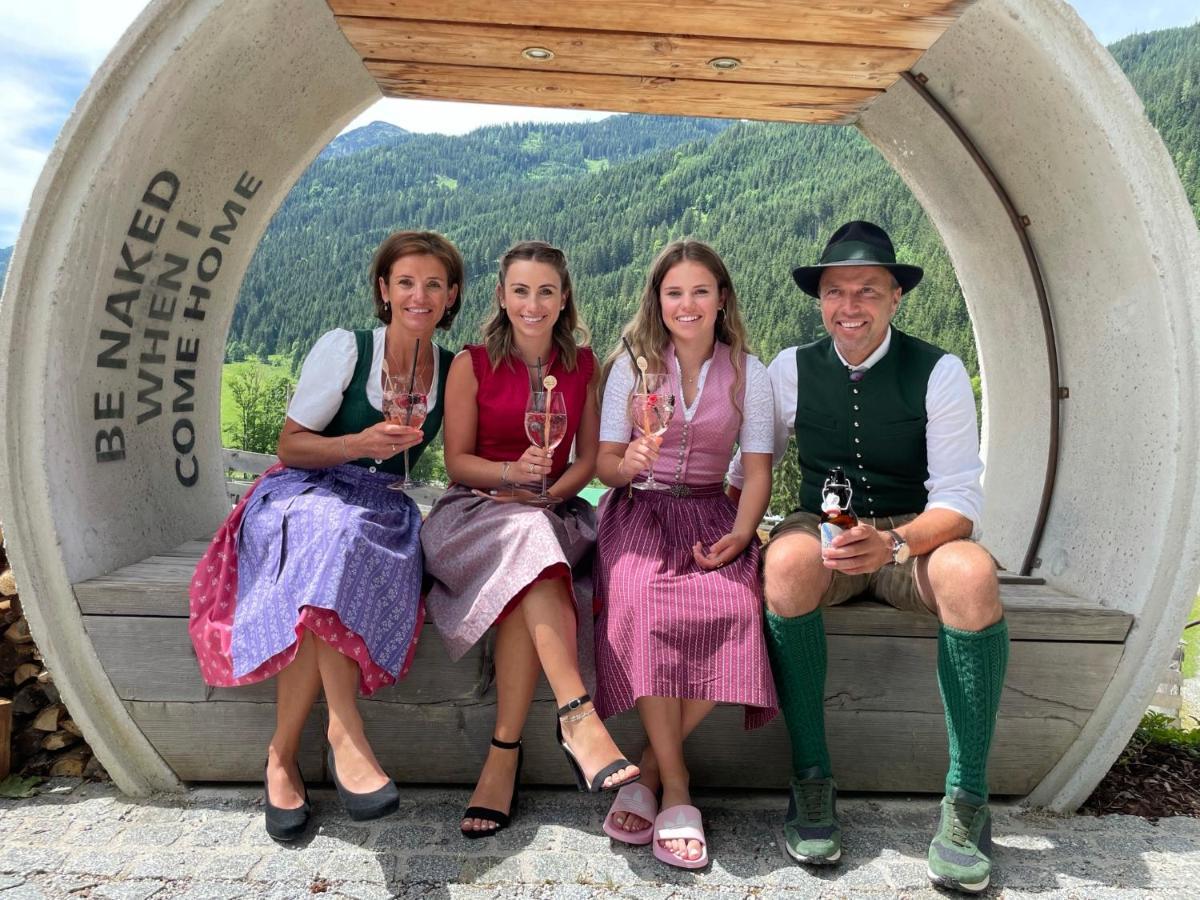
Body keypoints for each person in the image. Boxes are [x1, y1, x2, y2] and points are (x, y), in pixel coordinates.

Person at [729, 221, 1006, 894]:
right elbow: (746, 466)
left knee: (973, 573)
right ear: (819, 300)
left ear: (895, 298)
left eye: (867, 291)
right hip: (824, 532)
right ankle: (812, 780)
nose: (849, 307)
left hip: (915, 535)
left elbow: (961, 502)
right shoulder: (789, 368)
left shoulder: (937, 371)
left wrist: (896, 542)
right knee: (787, 565)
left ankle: (967, 799)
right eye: (834, 292)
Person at [188, 230, 464, 841]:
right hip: (305, 490)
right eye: (406, 282)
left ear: (451, 296)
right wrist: (359, 444)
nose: (420, 295)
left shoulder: (453, 369)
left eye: (434, 284)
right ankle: (345, 731)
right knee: (330, 536)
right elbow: (290, 446)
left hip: (382, 508)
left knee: (342, 546)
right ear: (384, 291)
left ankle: (282, 754)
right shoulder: (346, 349)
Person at [420, 240, 640, 839]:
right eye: (521, 290)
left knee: (531, 551)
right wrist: (508, 477)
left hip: (550, 513)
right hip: (474, 512)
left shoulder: (584, 366)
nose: (533, 303)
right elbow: (458, 462)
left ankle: (503, 755)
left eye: (546, 291)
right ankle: (578, 715)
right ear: (501, 296)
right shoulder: (472, 363)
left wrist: (545, 496)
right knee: (527, 545)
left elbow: (589, 460)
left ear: (563, 298)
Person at [593, 240, 779, 870]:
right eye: (675, 293)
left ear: (722, 298)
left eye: (701, 291)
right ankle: (676, 787)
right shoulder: (633, 365)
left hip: (710, 511)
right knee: (642, 606)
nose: (687, 304)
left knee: (737, 611)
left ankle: (645, 771)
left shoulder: (750, 371)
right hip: (639, 509)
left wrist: (742, 532)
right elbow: (604, 463)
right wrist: (628, 465)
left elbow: (756, 472)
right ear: (658, 301)